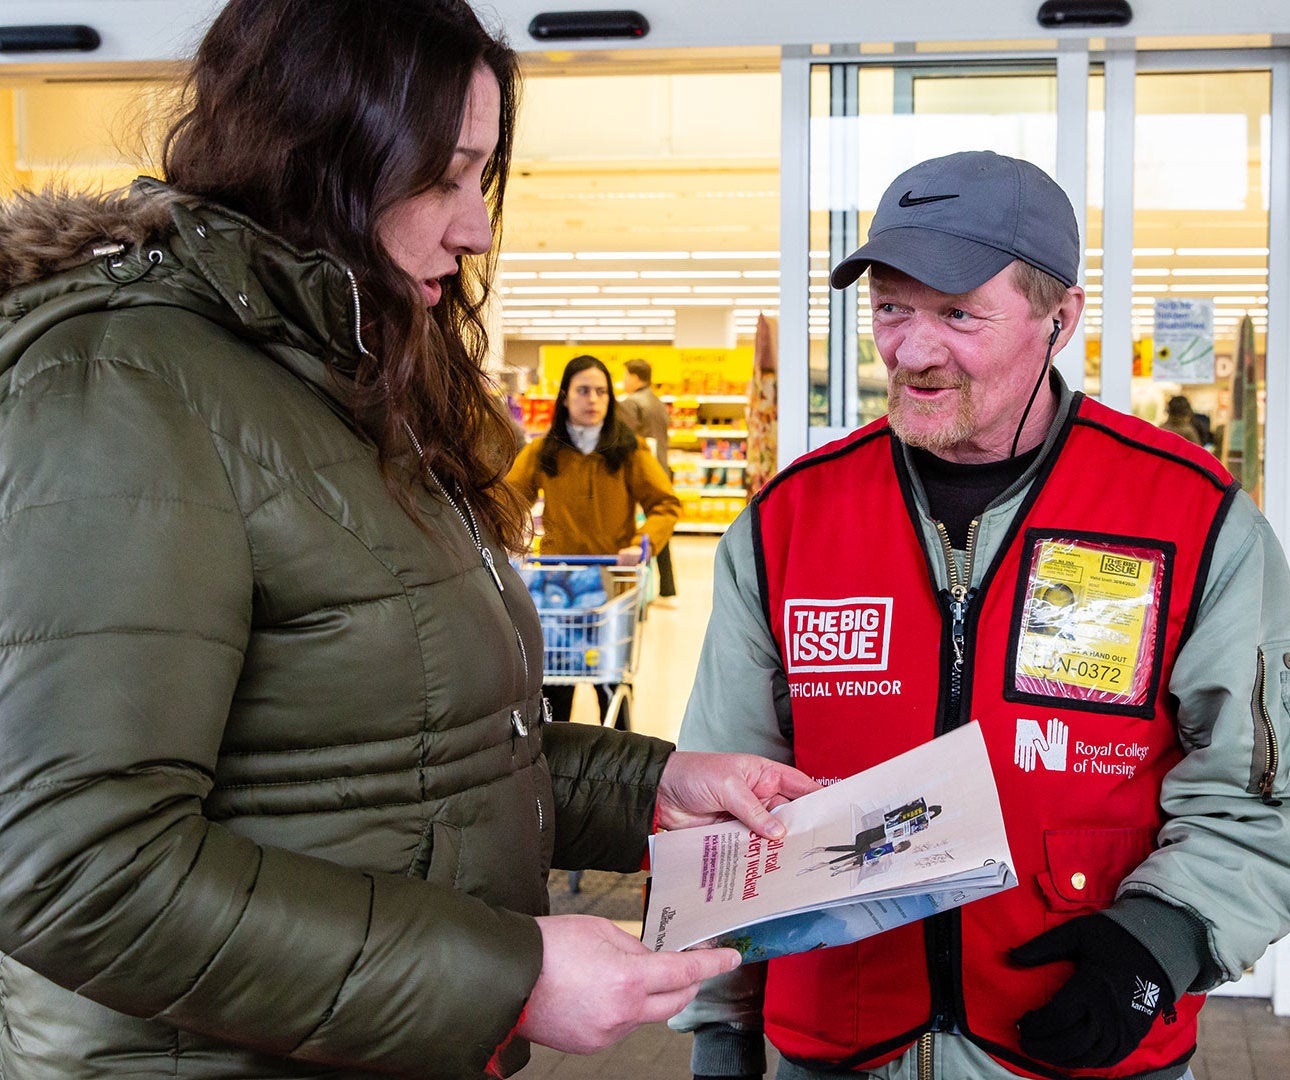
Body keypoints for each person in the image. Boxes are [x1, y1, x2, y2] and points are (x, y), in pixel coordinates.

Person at [0, 2, 820, 1076]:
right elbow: (73, 866)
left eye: (481, 177)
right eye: (446, 174)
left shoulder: (347, 381)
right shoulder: (127, 390)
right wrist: (507, 974)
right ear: (323, 154)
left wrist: (654, 790)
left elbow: (414, 757)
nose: (476, 226)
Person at [672, 150, 1290, 1080]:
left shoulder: (1187, 516)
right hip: (835, 1045)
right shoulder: (790, 522)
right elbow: (724, 810)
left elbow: (1272, 787)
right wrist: (722, 1030)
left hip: (1079, 1041)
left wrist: (1163, 940)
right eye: (891, 308)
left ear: (1059, 318)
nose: (910, 350)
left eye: (957, 313)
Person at [508, 354, 681, 722]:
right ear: (565, 397)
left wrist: (642, 543)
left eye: (601, 391)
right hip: (558, 586)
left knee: (612, 687)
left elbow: (664, 503)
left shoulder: (630, 450)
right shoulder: (543, 451)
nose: (593, 400)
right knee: (556, 690)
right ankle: (558, 769)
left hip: (613, 585)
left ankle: (621, 767)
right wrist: (506, 537)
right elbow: (506, 500)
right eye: (583, 390)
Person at [617, 357, 679, 598]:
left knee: (636, 532)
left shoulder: (631, 404)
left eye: (624, 376)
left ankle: (640, 592)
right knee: (659, 526)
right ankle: (667, 586)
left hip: (640, 475)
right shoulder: (658, 402)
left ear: (634, 377)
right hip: (661, 469)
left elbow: (624, 441)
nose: (623, 381)